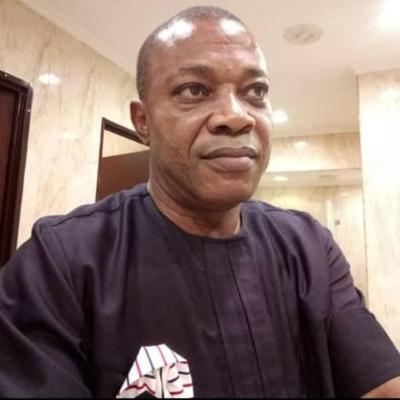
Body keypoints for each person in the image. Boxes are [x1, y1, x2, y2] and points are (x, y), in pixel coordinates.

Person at [0, 6, 399, 398]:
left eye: (255, 91)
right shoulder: (60, 264)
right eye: (194, 90)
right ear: (143, 122)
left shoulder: (309, 247)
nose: (236, 116)